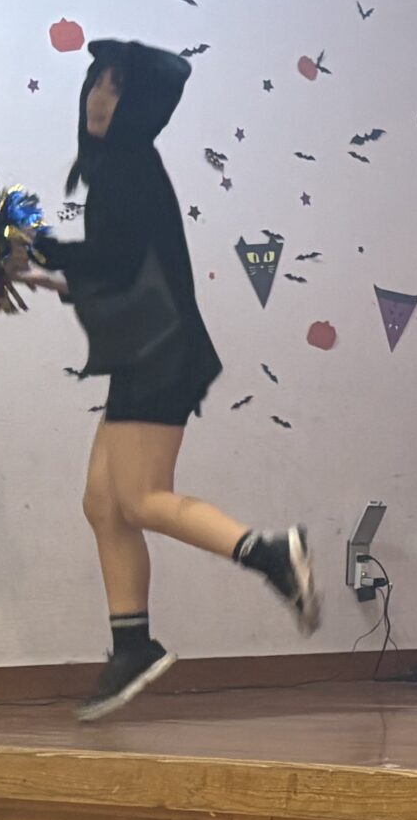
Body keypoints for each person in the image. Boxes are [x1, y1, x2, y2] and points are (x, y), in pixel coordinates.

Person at [19, 40, 318, 720]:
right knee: (104, 503)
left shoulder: (127, 163)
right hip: (148, 350)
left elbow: (116, 260)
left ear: (139, 103)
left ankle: (271, 555)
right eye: (96, 84)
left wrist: (38, 252)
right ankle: (132, 645)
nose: (99, 99)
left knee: (141, 497)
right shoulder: (119, 168)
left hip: (161, 352)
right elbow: (124, 265)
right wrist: (43, 269)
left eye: (116, 88)